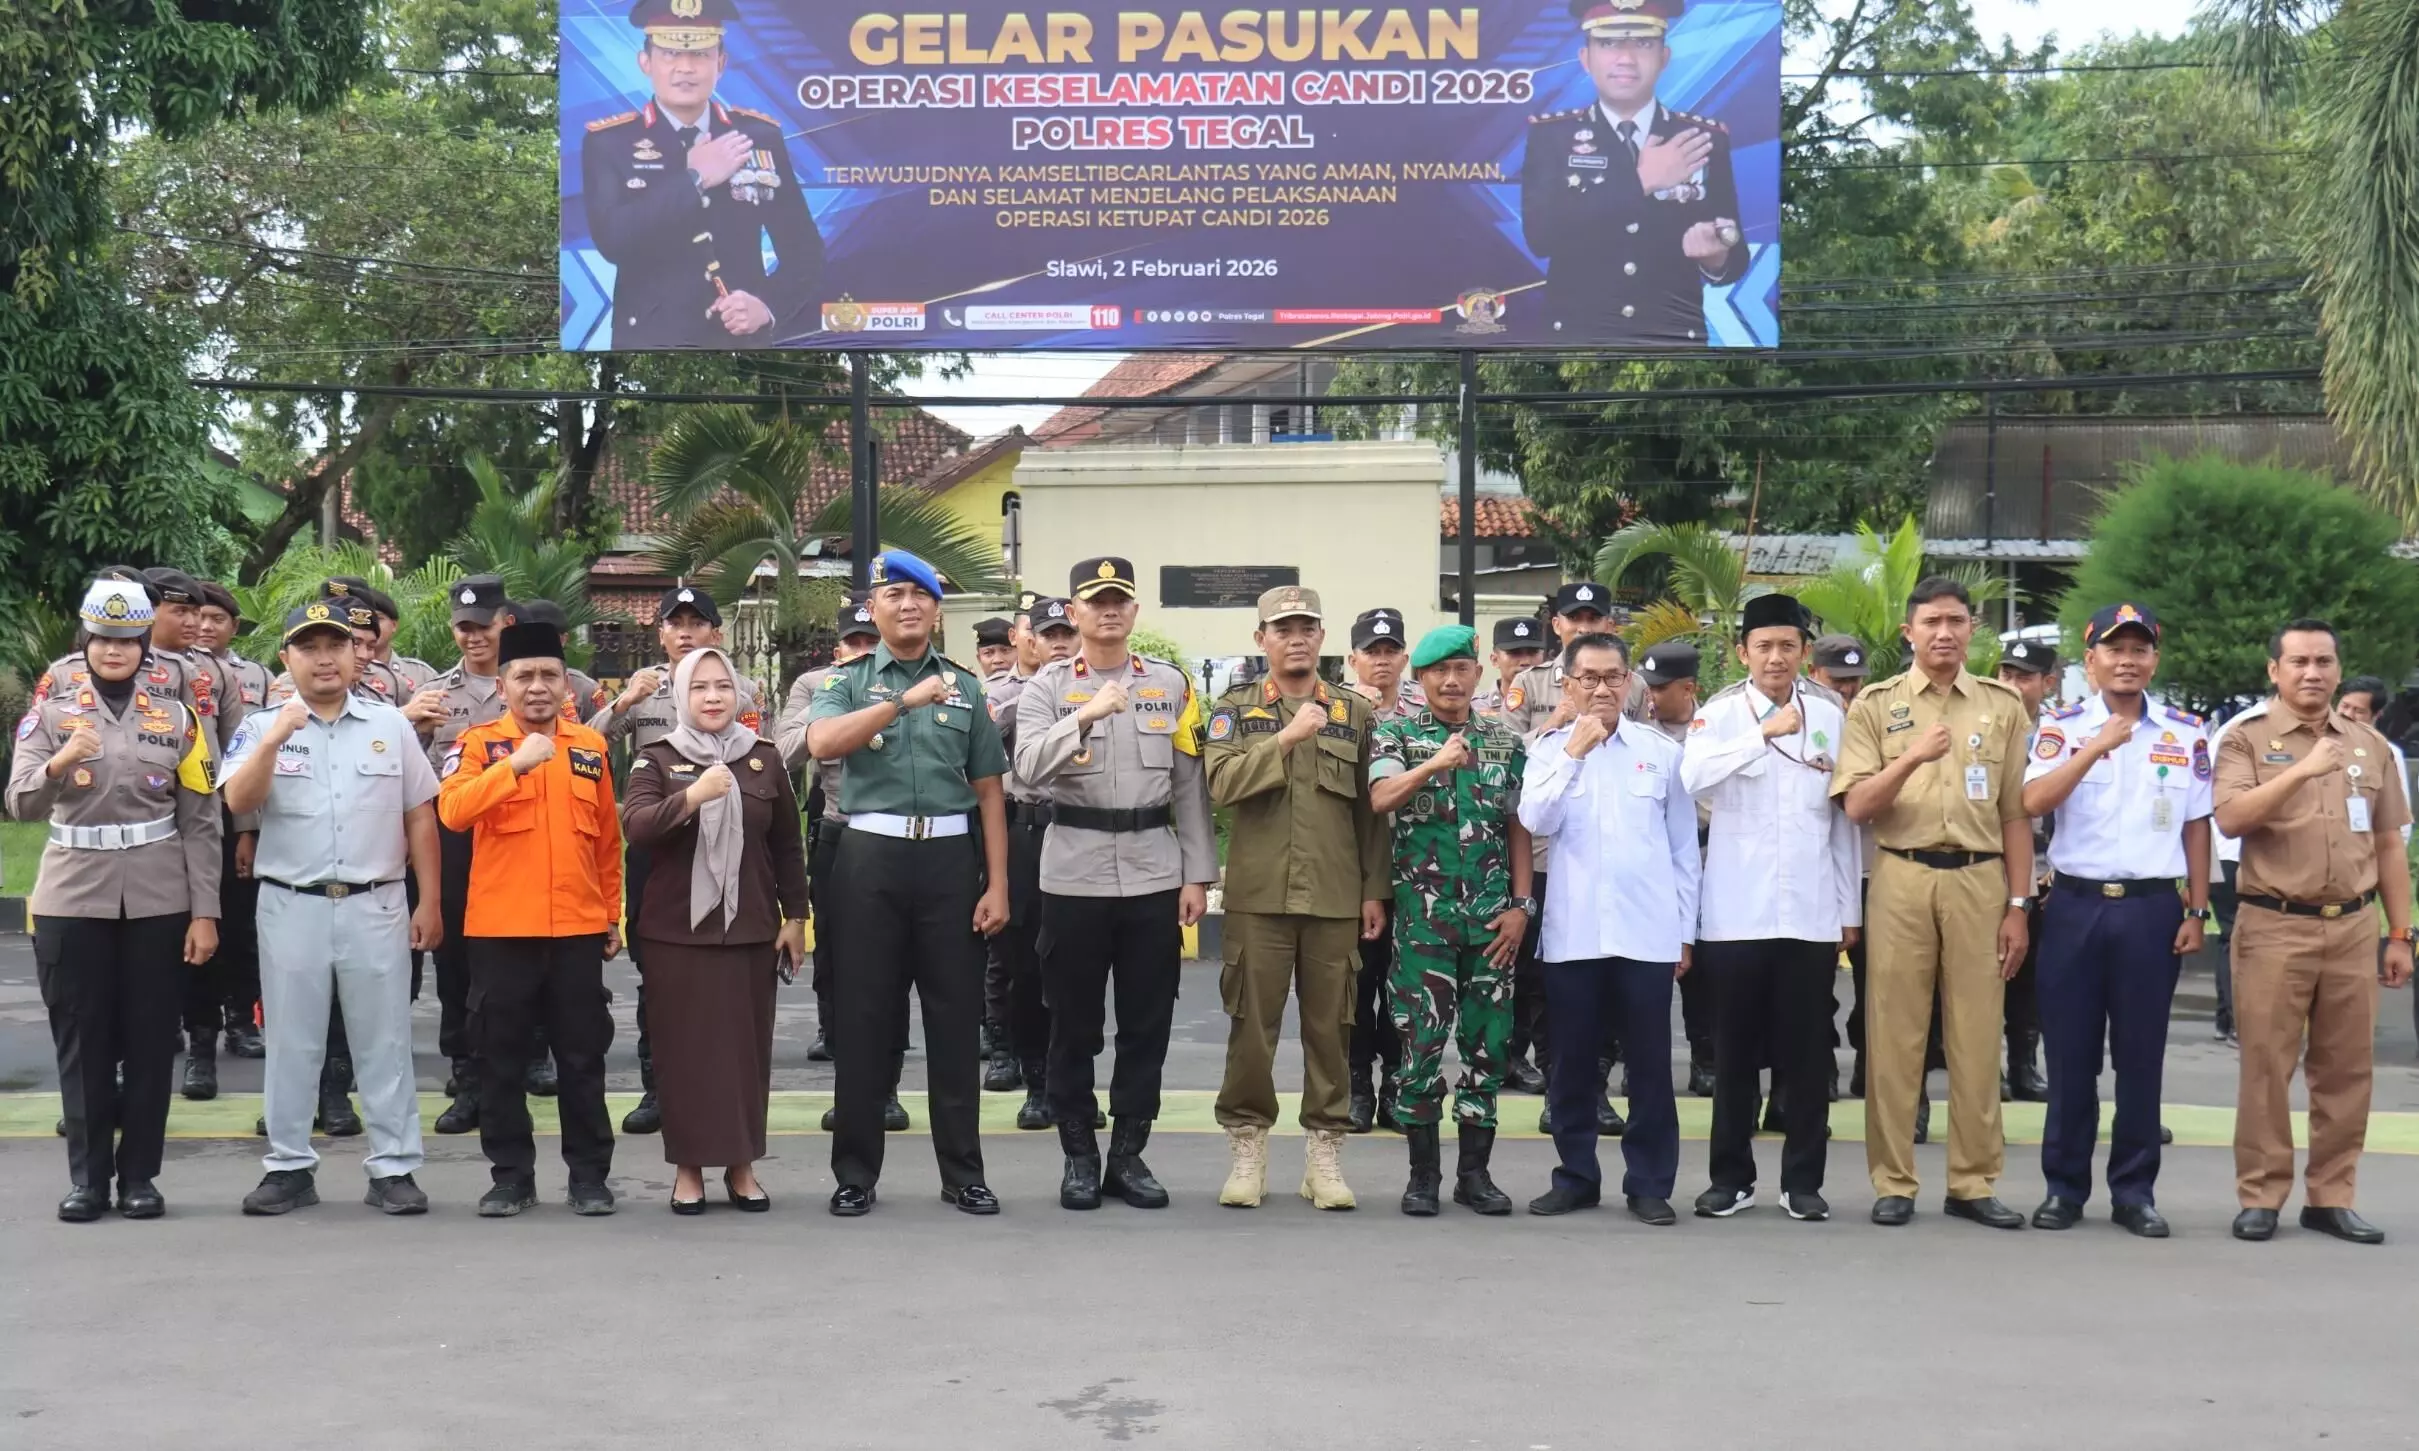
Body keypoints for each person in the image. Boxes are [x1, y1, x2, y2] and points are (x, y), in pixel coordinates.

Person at [804, 550, 1012, 1218]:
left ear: (936, 609)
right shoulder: (849, 679)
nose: (908, 605)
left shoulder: (966, 686)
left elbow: (988, 791)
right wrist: (899, 701)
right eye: (894, 594)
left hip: (949, 861)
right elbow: (822, 742)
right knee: (865, 1018)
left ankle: (963, 1172)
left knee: (954, 1022)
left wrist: (997, 882)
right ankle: (855, 1172)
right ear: (875, 608)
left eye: (920, 596)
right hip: (870, 856)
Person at [222, 603, 444, 1217]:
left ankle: (394, 1167)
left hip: (376, 902)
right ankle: (289, 1165)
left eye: (336, 646)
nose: (324, 658)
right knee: (292, 1041)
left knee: (385, 1041)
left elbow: (420, 814)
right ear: (286, 659)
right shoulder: (261, 724)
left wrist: (430, 901)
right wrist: (274, 736)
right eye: (309, 647)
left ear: (356, 655)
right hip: (292, 902)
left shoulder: (389, 725)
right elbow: (239, 799)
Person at [9, 578, 220, 1222]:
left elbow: (201, 817)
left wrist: (205, 911)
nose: (114, 650)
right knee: (82, 1038)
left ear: (142, 646)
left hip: (158, 896)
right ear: (86, 640)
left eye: (127, 640)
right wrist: (59, 761)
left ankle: (140, 1178)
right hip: (73, 894)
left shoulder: (178, 718)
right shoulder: (50, 714)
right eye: (102, 638)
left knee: (152, 1039)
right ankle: (88, 1179)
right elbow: (17, 802)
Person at [1014, 557, 1217, 1210]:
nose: (1107, 611)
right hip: (1073, 872)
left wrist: (1197, 874)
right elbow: (1023, 770)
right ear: (1072, 613)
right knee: (1071, 1023)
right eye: (1094, 601)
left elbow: (1188, 785)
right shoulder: (1046, 687)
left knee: (1146, 1021)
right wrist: (1084, 715)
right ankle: (1079, 1153)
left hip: (1153, 872)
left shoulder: (1169, 684)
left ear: (1133, 613)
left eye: (1118, 601)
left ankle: (1128, 1155)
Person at [1834, 577, 2033, 1229]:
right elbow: (1857, 805)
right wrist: (1913, 756)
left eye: (1955, 620)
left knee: (1977, 1033)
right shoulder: (1875, 704)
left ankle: (1972, 1182)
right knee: (1894, 1031)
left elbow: (2014, 815)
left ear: (1970, 629)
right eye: (1931, 622)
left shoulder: (2001, 705)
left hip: (1979, 877)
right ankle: (1893, 1179)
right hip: (1900, 873)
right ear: (1908, 632)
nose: (1943, 632)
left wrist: (2018, 905)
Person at [2213, 618, 2413, 1245]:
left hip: (2352, 925)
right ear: (2274, 670)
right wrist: (2301, 770)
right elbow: (2233, 817)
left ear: (2337, 668)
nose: (2312, 673)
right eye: (2298, 661)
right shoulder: (2245, 740)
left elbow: (2387, 843)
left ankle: (2331, 1195)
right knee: (2268, 1066)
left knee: (2347, 1069)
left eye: (2324, 661)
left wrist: (2400, 933)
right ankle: (2262, 1195)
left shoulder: (2370, 745)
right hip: (2275, 923)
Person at [2018, 603, 2210, 1238]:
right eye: (2114, 649)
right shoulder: (2061, 726)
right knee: (2071, 1057)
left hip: (2153, 907)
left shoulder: (2185, 733)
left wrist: (2197, 907)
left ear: (2155, 659)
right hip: (2074, 906)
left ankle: (2134, 1192)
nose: (2127, 660)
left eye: (2140, 650)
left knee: (2140, 1057)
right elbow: (2032, 801)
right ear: (2090, 657)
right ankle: (2064, 1189)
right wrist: (2094, 748)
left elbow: (2196, 826)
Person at [1204, 585, 1389, 1211]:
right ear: (1262, 640)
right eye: (1283, 628)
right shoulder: (1235, 710)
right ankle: (1249, 1148)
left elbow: (1372, 813)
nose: (1297, 637)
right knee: (1251, 1030)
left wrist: (1374, 890)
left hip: (1336, 896)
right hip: (1259, 898)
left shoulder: (1354, 713)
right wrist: (1283, 740)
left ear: (1322, 636)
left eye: (1308, 626)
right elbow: (1221, 785)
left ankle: (1324, 1155)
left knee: (1331, 1029)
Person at [437, 619, 626, 1218]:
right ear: (503, 682)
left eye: (549, 674)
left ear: (566, 683)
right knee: (500, 1059)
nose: (537, 686)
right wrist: (514, 765)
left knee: (581, 1057)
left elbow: (606, 841)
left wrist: (612, 915)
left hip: (575, 926)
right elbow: (453, 812)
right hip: (500, 929)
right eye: (524, 676)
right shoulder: (476, 743)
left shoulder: (590, 748)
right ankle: (511, 1176)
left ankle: (590, 1176)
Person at [1681, 595, 1859, 1223]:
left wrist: (1849, 909)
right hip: (1737, 914)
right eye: (1764, 647)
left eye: (1788, 646)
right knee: (1733, 1055)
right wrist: (1760, 735)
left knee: (1808, 1054)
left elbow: (1842, 820)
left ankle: (1803, 1182)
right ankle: (1731, 1178)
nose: (1776, 658)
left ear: (1803, 652)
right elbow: (1692, 780)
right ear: (1743, 653)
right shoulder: (1721, 714)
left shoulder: (1830, 718)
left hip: (1809, 914)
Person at [1517, 632, 1698, 1223]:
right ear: (1567, 684)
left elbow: (1681, 850)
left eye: (1612, 677)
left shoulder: (1660, 752)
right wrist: (1575, 751)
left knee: (1648, 1066)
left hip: (1646, 934)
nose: (1600, 688)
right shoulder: (1547, 751)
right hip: (1575, 935)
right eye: (1587, 678)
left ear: (1629, 684)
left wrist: (1684, 932)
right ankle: (1576, 1175)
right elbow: (1535, 819)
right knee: (1571, 1063)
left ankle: (1649, 1183)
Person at [621, 647, 808, 1214]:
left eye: (722, 686)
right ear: (680, 694)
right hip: (676, 933)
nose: (711, 697)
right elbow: (636, 826)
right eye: (698, 687)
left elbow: (786, 844)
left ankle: (743, 1166)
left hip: (749, 929)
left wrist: (795, 917)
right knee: (684, 1053)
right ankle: (688, 1169)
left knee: (744, 1054)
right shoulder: (656, 758)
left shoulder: (763, 759)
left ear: (739, 695)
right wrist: (692, 797)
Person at [1367, 625, 1532, 1216]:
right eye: (1439, 671)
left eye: (1462, 668)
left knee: (1487, 1051)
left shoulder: (1503, 742)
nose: (1452, 680)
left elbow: (1517, 827)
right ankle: (1422, 1177)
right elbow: (1382, 798)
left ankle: (1475, 1175)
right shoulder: (1398, 735)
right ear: (1421, 679)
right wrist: (1434, 763)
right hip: (1423, 929)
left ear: (1478, 675)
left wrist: (1520, 907)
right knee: (1419, 1049)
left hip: (1491, 928)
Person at [592, 585, 763, 1136]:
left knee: (724, 979)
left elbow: (763, 766)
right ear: (660, 633)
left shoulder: (744, 690)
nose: (685, 632)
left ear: (716, 633)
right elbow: (587, 747)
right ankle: (657, 1086)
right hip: (661, 850)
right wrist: (621, 703)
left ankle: (718, 1088)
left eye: (697, 622)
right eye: (674, 623)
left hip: (727, 847)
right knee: (659, 974)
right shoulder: (641, 689)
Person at [582, 0, 823, 347]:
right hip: (651, 343)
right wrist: (694, 179)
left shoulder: (758, 137)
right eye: (670, 54)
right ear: (645, 62)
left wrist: (768, 305)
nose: (685, 68)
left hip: (739, 343)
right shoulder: (610, 143)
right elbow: (613, 241)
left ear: (720, 63)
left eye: (700, 54)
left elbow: (805, 251)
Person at [1519, 0, 1744, 343]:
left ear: (1664, 57)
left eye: (1643, 43)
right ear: (1585, 59)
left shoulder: (1702, 140)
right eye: (1608, 43)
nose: (1626, 58)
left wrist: (1717, 256)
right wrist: (1641, 180)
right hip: (1575, 344)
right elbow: (1541, 237)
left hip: (1672, 345)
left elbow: (1734, 253)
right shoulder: (1552, 137)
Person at [1499, 581, 1632, 1134]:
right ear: (1556, 625)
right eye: (1574, 619)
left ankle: (1596, 1089)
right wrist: (1553, 727)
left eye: (1594, 618)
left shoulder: (1634, 685)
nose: (1584, 627)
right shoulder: (1528, 685)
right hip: (1548, 857)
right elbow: (1504, 762)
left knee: (1612, 983)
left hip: (1610, 857)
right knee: (1545, 983)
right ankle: (1558, 1086)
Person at [419, 574, 511, 1134]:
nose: (473, 638)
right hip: (454, 836)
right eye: (463, 628)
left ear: (506, 623)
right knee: (453, 961)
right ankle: (467, 1076)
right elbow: (417, 777)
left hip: (515, 834)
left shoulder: (528, 682)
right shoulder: (434, 692)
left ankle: (516, 1065)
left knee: (512, 958)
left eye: (483, 626)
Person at [990, 595, 1082, 1126]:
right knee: (1024, 963)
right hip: (1024, 828)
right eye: (1049, 636)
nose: (1059, 645)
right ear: (1027, 639)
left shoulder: (1099, 686)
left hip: (1078, 827)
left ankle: (1074, 1082)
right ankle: (1036, 1080)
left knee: (1078, 967)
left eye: (1066, 635)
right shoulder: (1005, 694)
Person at [187, 581, 271, 1080]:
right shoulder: (159, 668)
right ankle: (190, 1028)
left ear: (234, 626)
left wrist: (247, 829)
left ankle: (242, 1019)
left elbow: (242, 755)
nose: (204, 626)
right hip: (168, 817)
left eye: (216, 618)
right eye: (195, 616)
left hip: (225, 814)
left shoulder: (251, 676)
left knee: (239, 925)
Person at [1345, 604, 1421, 1134]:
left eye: (1390, 651)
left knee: (1404, 989)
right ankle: (1354, 1086)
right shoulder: (1336, 709)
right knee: (1353, 984)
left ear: (1404, 658)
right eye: (1372, 652)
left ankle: (1395, 1082)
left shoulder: (1424, 712)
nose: (1381, 661)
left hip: (1417, 873)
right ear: (1352, 659)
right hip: (1351, 871)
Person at [1638, 640, 1717, 1098]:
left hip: (1705, 857)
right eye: (1647, 685)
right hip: (1648, 862)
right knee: (1643, 964)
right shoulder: (1632, 728)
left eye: (1661, 687)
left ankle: (1706, 1057)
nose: (1651, 695)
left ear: (1689, 687)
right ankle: (1634, 1062)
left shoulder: (1716, 729)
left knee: (1701, 968)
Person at [1995, 639, 2059, 1103]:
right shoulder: (1987, 725)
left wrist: (2055, 869)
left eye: (2024, 677)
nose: (2014, 685)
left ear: (2047, 683)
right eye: (2006, 675)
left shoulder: (2061, 731)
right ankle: (1988, 1066)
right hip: (1989, 870)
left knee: (2033, 978)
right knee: (1986, 976)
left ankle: (2024, 1064)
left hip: (2047, 873)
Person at [514, 599, 614, 723]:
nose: (537, 643)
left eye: (545, 637)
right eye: (529, 636)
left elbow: (602, 736)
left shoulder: (587, 690)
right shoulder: (507, 684)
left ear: (563, 640)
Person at [1471, 615, 1548, 720]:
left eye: (1532, 652)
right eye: (1515, 653)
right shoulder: (1474, 708)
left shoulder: (1559, 704)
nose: (1525, 662)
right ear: (1495, 660)